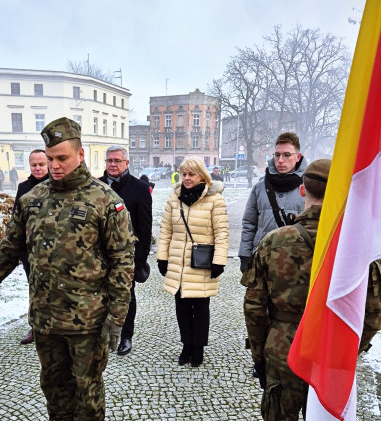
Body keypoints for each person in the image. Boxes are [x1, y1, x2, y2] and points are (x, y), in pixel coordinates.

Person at [0, 117, 136, 421]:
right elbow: (9, 249)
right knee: (53, 381)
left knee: (86, 383)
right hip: (45, 316)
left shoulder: (106, 201)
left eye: (62, 158)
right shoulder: (32, 200)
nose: (55, 166)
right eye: (50, 159)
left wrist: (116, 317)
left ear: (81, 154)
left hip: (87, 319)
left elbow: (123, 262)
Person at [242, 159, 381, 421]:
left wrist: (260, 353)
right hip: (332, 351)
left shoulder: (275, 242)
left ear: (303, 190)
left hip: (283, 347)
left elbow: (255, 307)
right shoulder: (354, 245)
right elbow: (373, 311)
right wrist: (352, 350)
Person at [156, 156, 229, 368]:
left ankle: (198, 347)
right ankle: (186, 344)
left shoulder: (215, 199)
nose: (187, 178)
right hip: (178, 262)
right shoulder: (174, 198)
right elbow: (165, 231)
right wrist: (162, 257)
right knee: (182, 308)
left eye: (191, 174)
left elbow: (222, 233)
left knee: (201, 308)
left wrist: (219, 261)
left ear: (202, 176)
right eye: (184, 174)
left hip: (202, 262)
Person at [99, 146, 153, 356]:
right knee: (101, 296)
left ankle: (125, 336)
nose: (113, 164)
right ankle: (103, 334)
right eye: (109, 160)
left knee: (126, 296)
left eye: (117, 161)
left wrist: (139, 261)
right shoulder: (96, 186)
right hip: (100, 256)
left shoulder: (139, 188)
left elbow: (145, 227)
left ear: (126, 163)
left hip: (127, 256)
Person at [239, 132, 308, 273]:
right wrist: (245, 255)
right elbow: (249, 224)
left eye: (287, 155)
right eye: (277, 155)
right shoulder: (260, 187)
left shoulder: (309, 187)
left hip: (297, 262)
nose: (281, 160)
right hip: (263, 259)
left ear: (298, 157)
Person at [14, 149, 50, 345]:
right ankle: (35, 327)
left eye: (41, 164)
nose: (37, 168)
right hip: (31, 252)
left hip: (56, 251)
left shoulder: (57, 185)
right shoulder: (24, 188)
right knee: (35, 290)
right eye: (34, 165)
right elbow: (16, 221)